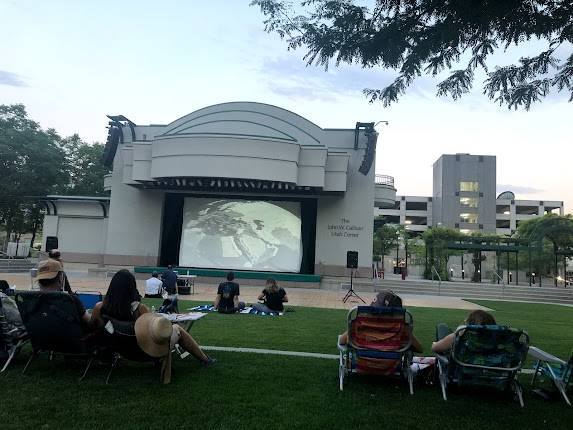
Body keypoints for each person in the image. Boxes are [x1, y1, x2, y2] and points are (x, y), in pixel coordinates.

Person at [91, 269, 215, 365]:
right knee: (177, 329)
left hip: (118, 349)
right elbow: (152, 335)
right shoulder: (139, 309)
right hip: (142, 352)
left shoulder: (99, 308)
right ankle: (204, 359)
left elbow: (93, 328)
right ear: (131, 288)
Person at [338, 290, 423, 353]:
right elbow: (419, 349)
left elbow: (341, 340)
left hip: (364, 364)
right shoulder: (401, 327)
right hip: (390, 367)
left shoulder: (361, 323)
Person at [35, 259, 91, 327]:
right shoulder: (71, 299)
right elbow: (89, 321)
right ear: (61, 278)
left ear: (39, 282)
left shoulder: (32, 301)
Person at [431, 309, 497, 354]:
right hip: (489, 371)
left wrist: (435, 344)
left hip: (462, 372)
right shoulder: (496, 340)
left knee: (442, 327)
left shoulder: (461, 337)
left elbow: (435, 348)